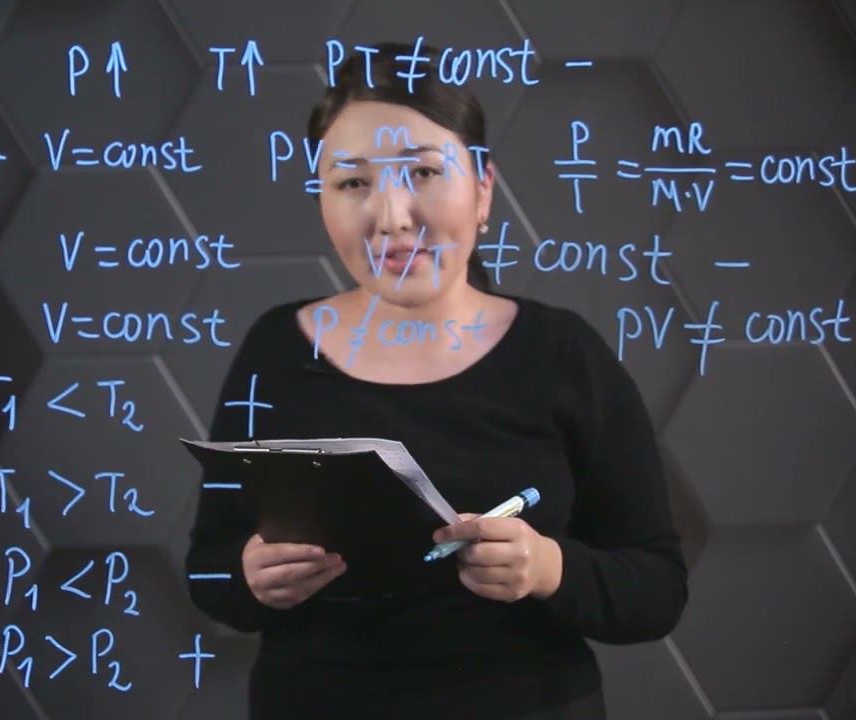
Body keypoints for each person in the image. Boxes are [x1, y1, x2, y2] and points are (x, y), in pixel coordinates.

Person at [183, 42, 689, 719]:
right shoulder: (276, 349)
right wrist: (248, 577)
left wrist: (549, 568)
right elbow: (207, 570)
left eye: (423, 172)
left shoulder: (564, 354)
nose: (392, 217)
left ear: (483, 189)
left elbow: (657, 589)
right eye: (353, 183)